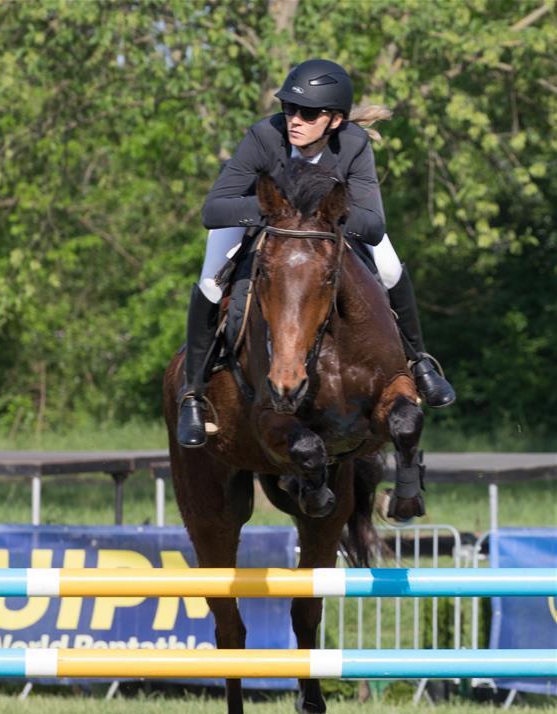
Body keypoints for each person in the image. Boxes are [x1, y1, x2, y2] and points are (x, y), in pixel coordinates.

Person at [177, 58, 456, 448]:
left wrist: (321, 217)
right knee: (210, 282)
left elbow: (373, 223)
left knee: (390, 268)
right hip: (260, 219)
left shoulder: (354, 145)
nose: (294, 120)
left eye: (308, 113)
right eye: (289, 109)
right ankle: (192, 394)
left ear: (335, 121)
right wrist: (277, 210)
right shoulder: (263, 137)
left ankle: (419, 362)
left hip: (324, 230)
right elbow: (214, 209)